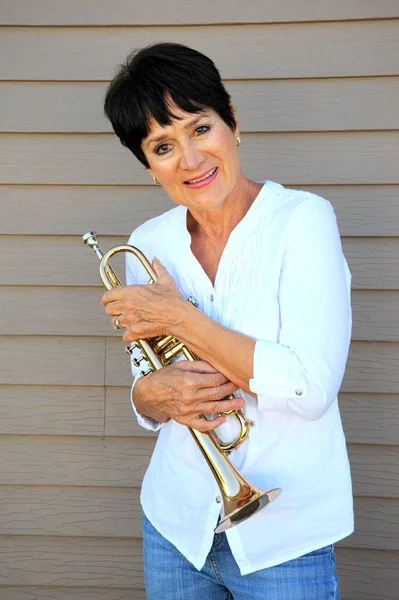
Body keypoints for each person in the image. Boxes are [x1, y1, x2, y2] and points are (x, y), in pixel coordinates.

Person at [101, 42, 353, 600]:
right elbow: (144, 389)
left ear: (233, 123)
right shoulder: (149, 244)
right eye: (163, 146)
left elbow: (309, 388)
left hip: (286, 536)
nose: (190, 159)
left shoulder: (303, 221)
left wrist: (179, 317)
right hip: (175, 527)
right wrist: (151, 399)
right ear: (148, 166)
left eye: (200, 128)